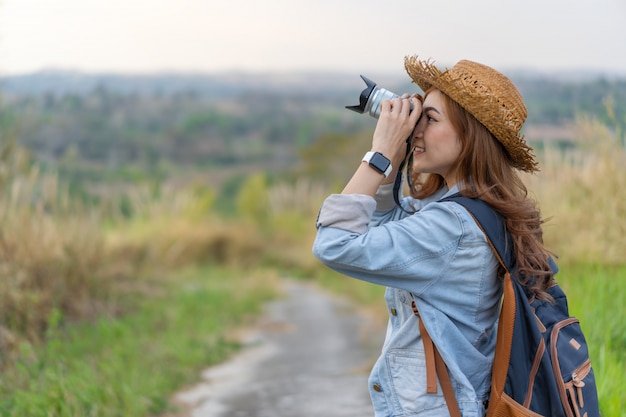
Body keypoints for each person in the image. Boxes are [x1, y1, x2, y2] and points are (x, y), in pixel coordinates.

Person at [312, 55, 554, 417]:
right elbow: (384, 223)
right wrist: (396, 153)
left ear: (470, 136)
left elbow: (334, 243)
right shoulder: (473, 209)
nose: (417, 129)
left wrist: (378, 155)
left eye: (430, 119)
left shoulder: (452, 227)